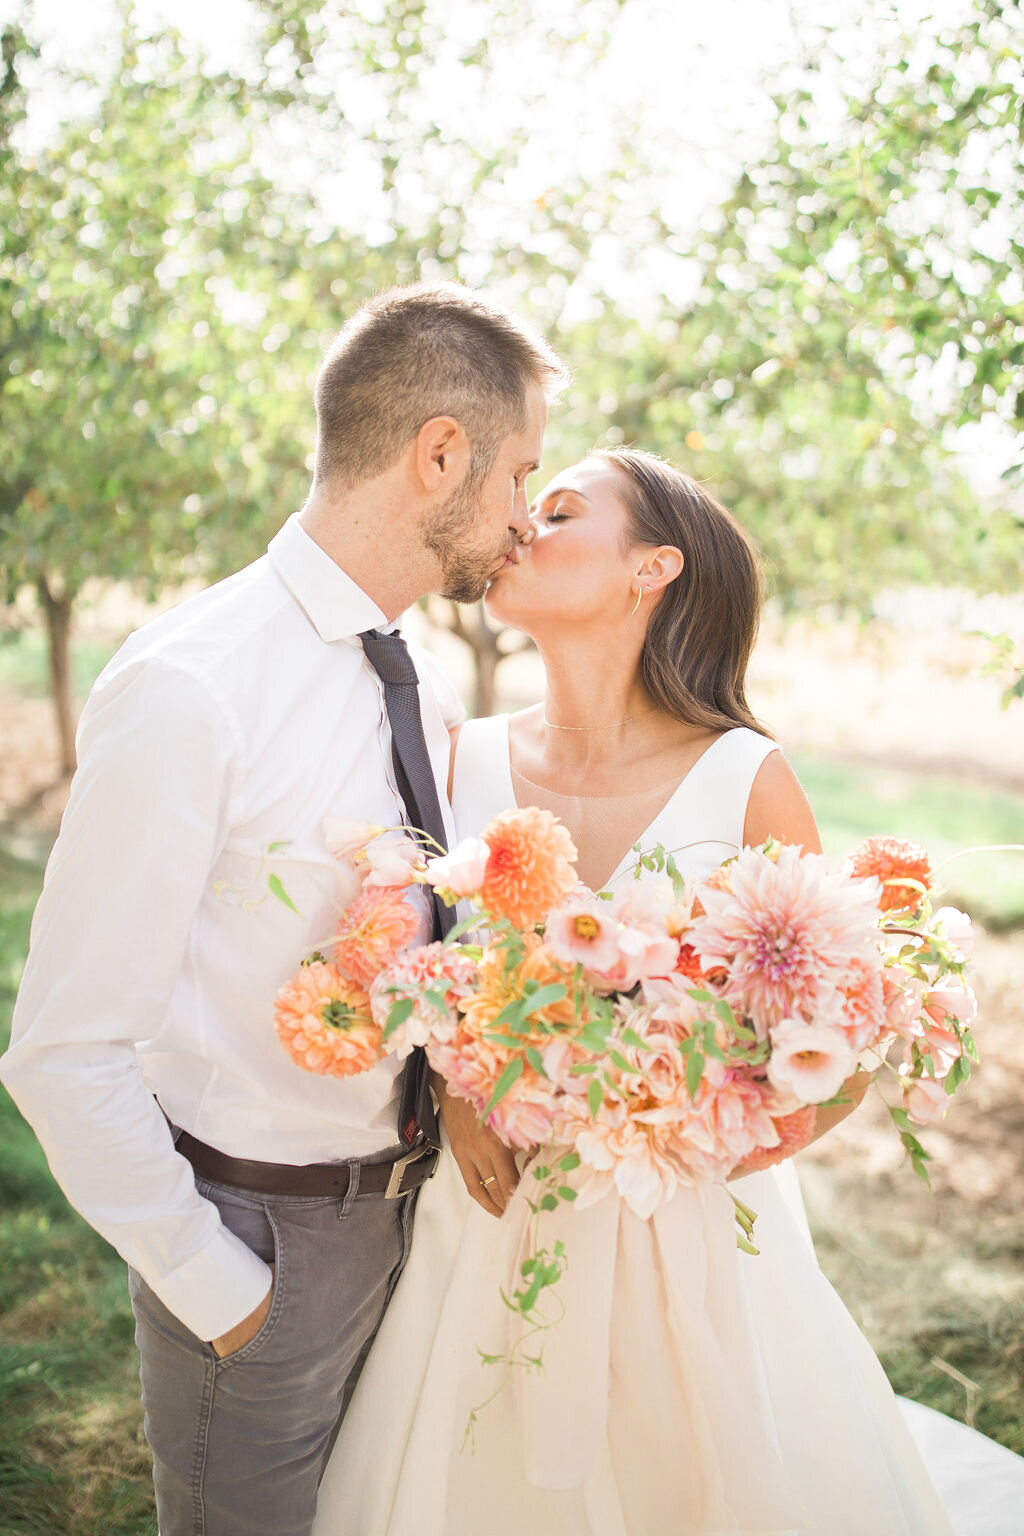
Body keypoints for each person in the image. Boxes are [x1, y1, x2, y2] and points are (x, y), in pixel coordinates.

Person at [315, 449, 974, 1534]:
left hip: (691, 1236)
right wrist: (462, 1087)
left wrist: (726, 1127)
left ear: (652, 567)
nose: (521, 521)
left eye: (561, 509)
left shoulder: (744, 775)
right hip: (488, 1220)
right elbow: (412, 956)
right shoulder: (451, 756)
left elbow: (844, 1025)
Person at [0, 282, 567, 1536]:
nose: (527, 519)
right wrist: (222, 1290)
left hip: (407, 1218)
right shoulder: (192, 686)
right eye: (521, 474)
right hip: (259, 1241)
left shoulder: (406, 681)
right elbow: (59, 1050)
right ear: (439, 454)